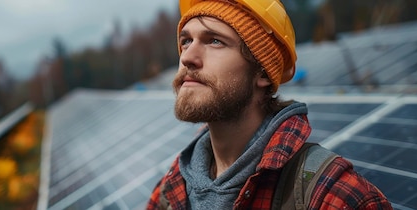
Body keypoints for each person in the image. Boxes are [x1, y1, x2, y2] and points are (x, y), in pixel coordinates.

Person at [146, 0, 392, 209]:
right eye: (186, 40)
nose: (187, 57)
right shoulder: (173, 187)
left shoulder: (331, 195)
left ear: (262, 73)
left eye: (215, 41)